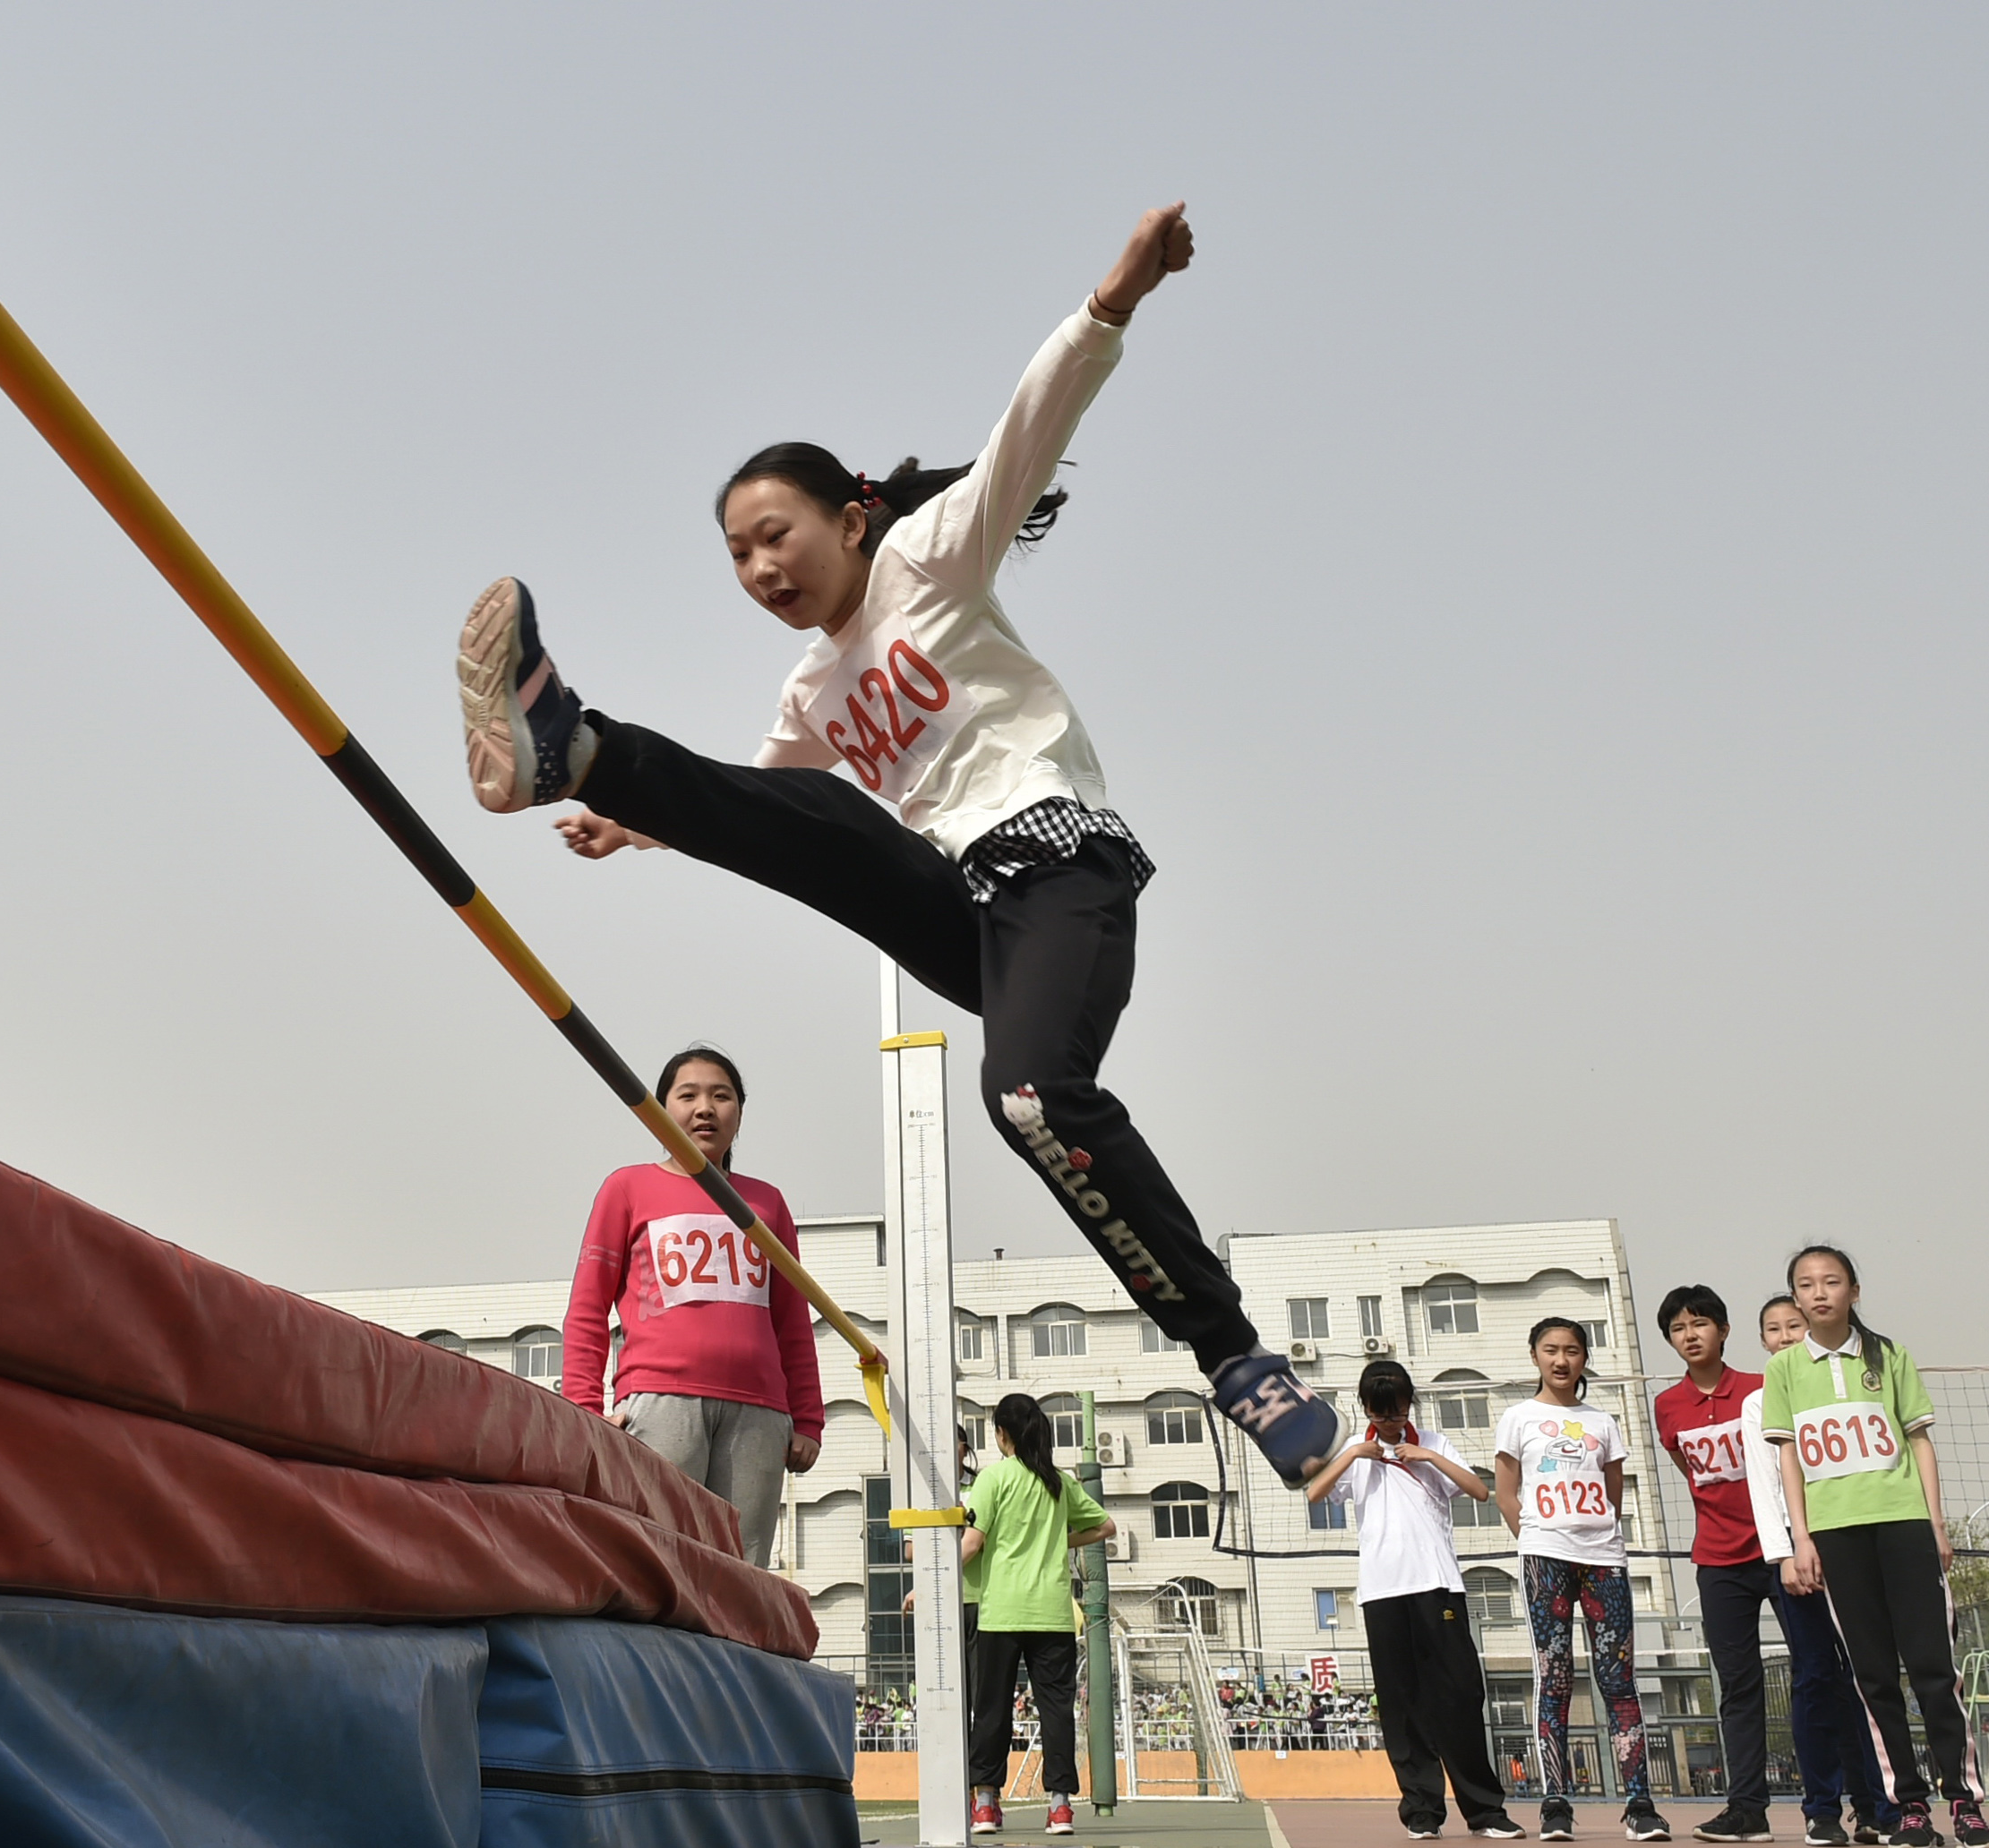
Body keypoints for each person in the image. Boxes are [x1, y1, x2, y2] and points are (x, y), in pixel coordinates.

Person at [450, 201, 1342, 1487]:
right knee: (809, 808)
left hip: (1062, 870)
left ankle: (1241, 1363)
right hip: (961, 912)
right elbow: (757, 812)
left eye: (778, 536)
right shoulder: (811, 694)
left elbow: (1029, 431)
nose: (760, 568)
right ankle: (569, 746)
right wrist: (630, 818)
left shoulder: (931, 559)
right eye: (738, 555)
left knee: (1028, 1096)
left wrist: (1113, 299)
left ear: (851, 521)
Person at [1763, 1247, 1989, 1848]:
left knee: (1933, 1671)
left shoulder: (1890, 1355)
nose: (1819, 1293)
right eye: (1806, 1285)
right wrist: (1802, 1537)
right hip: (1837, 1537)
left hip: (1903, 1526)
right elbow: (1788, 1457)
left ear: (1854, 1289)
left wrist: (1937, 1526)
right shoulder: (1785, 1370)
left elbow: (1919, 1442)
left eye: (1831, 1281)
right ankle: (1912, 1808)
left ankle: (1966, 1803)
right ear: (1795, 1297)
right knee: (1874, 1678)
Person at [560, 1046, 821, 1568]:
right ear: (660, 1111)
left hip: (760, 1414)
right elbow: (587, 1310)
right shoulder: (627, 1188)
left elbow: (792, 1317)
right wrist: (582, 1408)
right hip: (660, 1400)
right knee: (658, 1559)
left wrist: (808, 1418)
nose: (705, 1108)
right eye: (688, 1095)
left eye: (721, 1096)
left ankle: (734, 1654)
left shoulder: (766, 1202)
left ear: (739, 1115)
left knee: (742, 1569)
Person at [1304, 1359, 1526, 1840]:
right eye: (1381, 1411)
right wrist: (1356, 1453)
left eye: (1399, 1408)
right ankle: (1422, 1810)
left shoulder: (1434, 1442)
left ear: (1410, 1404)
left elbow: (1480, 1491)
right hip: (1383, 1591)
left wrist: (1427, 1458)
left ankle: (1485, 1810)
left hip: (1438, 1584)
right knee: (1402, 1705)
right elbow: (1316, 1493)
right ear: (1365, 1408)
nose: (1391, 1418)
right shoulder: (1355, 1451)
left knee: (1460, 1696)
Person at [1494, 1318, 1666, 1844]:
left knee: (1618, 1680)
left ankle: (1639, 1803)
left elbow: (1614, 1494)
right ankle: (1555, 1805)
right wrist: (1538, 1538)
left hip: (1603, 1561)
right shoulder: (1518, 1418)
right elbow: (1505, 1491)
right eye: (1551, 1350)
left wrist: (1594, 1538)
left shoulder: (1602, 1421)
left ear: (1584, 1358)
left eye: (1572, 1350)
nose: (1562, 1360)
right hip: (1545, 1558)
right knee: (1555, 1678)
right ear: (1535, 1356)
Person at [1746, 1295, 1904, 1847]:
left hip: (1853, 1547)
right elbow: (1765, 1490)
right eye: (1774, 1328)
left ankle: (1882, 1806)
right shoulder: (1760, 1399)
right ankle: (1822, 1809)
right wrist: (1787, 1553)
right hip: (1800, 1555)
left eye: (1795, 1324)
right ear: (1762, 1340)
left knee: (1867, 1677)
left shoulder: (1855, 1378)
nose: (1787, 1334)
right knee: (1815, 1678)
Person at [1652, 1285, 1781, 1843]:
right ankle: (1747, 1810)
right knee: (1738, 1686)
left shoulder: (1762, 1388)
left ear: (1724, 1331)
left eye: (1700, 1323)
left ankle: (1857, 1805)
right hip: (1718, 1561)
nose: (1690, 1335)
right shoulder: (1667, 1407)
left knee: (1823, 1673)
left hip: (1781, 1551)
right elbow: (1693, 1473)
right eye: (1678, 1328)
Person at [962, 1393, 1112, 1837]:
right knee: (1056, 1712)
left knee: (991, 1711)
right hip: (1052, 1615)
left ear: (1001, 1433)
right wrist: (1056, 1542)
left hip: (1001, 1614)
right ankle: (1061, 1807)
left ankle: (986, 1804)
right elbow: (1105, 1526)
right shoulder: (1059, 1482)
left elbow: (972, 1543)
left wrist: (929, 1582)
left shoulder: (994, 1479)